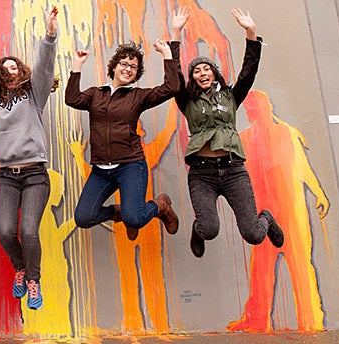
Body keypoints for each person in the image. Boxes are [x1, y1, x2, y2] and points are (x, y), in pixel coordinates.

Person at [169, 7, 284, 258]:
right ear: (194, 78)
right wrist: (176, 33)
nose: (202, 73)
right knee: (209, 229)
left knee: (253, 234)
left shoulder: (231, 96)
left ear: (214, 73)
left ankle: (266, 218)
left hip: (233, 171)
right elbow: (174, 74)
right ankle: (198, 230)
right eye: (197, 71)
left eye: (206, 69)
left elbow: (248, 71)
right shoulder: (187, 101)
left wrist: (251, 32)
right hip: (202, 173)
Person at [0, 6, 58, 310]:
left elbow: (45, 67)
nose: (10, 73)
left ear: (21, 73)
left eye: (14, 69)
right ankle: (20, 268)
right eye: (4, 70)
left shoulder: (35, 96)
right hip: (7, 175)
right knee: (6, 231)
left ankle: (33, 280)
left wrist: (49, 35)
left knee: (29, 230)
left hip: (35, 175)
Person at [64, 38, 180, 241]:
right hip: (101, 169)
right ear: (115, 66)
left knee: (135, 218)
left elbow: (171, 87)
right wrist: (77, 66)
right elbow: (72, 99)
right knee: (83, 218)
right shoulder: (96, 94)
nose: (128, 69)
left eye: (133, 67)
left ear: (137, 74)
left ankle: (161, 206)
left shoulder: (138, 96)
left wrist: (167, 55)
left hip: (130, 165)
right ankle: (118, 212)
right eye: (124, 64)